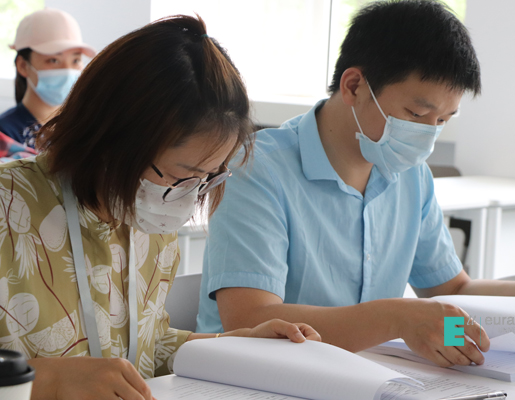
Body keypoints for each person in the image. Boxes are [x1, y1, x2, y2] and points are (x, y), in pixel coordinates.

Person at [198, 0, 515, 368]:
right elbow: (250, 320)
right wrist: (396, 318)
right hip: (255, 377)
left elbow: (452, 289)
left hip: (367, 375)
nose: (428, 134)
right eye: (417, 114)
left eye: (443, 121)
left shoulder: (410, 174)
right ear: (354, 86)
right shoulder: (255, 168)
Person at [0, 15, 319, 400]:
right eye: (180, 175)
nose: (186, 196)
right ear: (112, 138)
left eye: (207, 178)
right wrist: (47, 380)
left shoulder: (148, 221)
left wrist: (237, 345)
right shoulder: (9, 206)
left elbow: (144, 348)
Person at [0, 8, 95, 148]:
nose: (67, 70)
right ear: (23, 66)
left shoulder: (85, 126)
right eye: (54, 60)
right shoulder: (5, 134)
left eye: (75, 60)